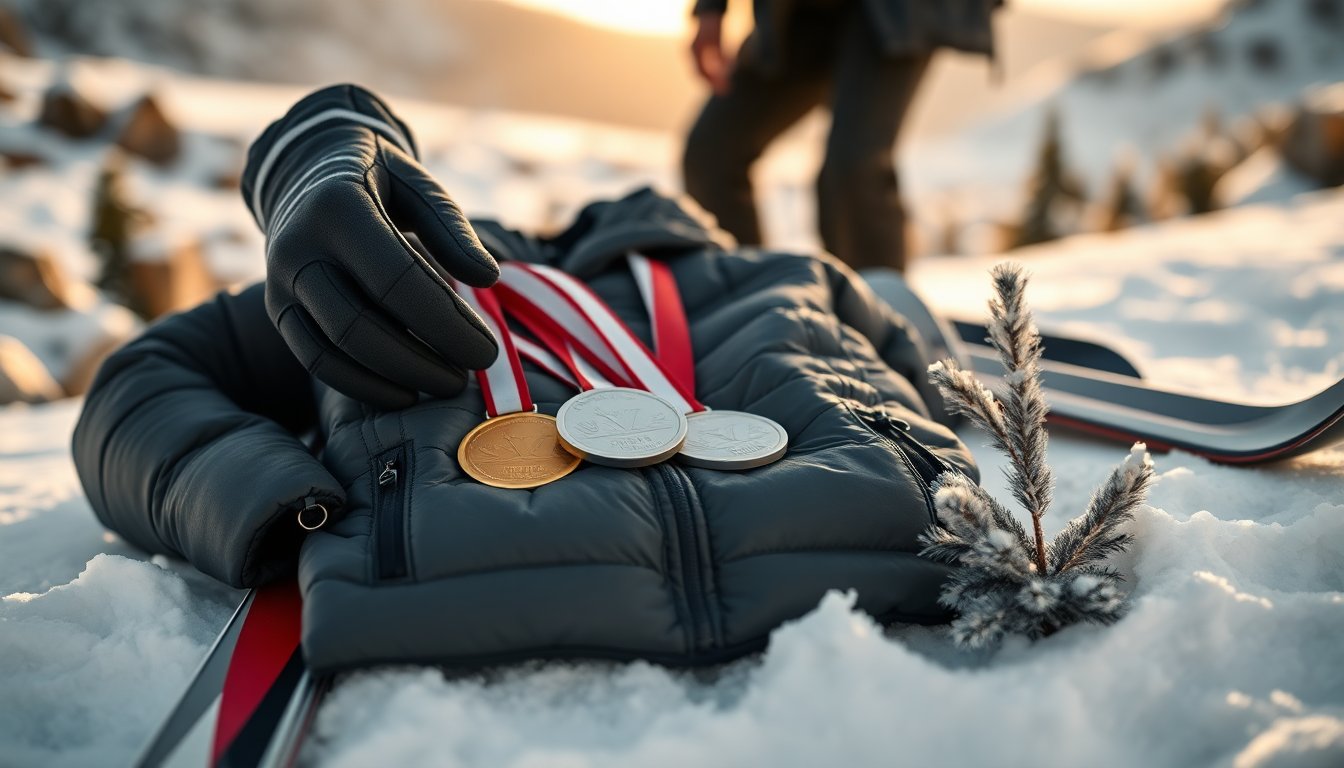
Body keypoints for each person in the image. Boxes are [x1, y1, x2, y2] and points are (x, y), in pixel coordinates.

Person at [73, 85, 977, 673]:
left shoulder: (769, 271)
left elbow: (922, 372)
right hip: (442, 590)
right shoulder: (391, 281)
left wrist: (920, 447)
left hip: (903, 559)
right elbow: (134, 389)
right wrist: (285, 503)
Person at [682, 0, 998, 272]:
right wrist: (711, 8)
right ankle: (750, 300)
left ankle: (876, 321)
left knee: (852, 171)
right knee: (711, 154)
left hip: (902, 12)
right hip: (798, 11)